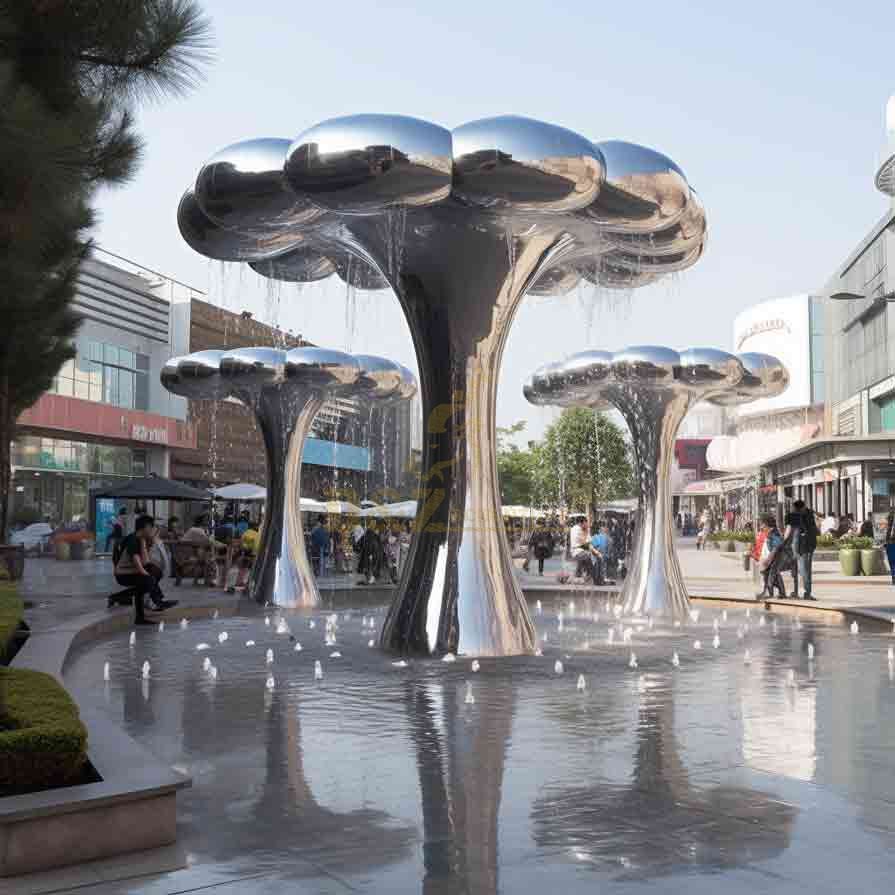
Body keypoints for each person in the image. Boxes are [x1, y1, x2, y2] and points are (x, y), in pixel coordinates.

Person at [112, 515, 177, 623]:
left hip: (132, 571)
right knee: (147, 579)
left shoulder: (140, 539)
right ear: (146, 527)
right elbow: (139, 563)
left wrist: (146, 542)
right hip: (123, 574)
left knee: (150, 577)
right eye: (151, 527)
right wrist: (148, 576)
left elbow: (146, 562)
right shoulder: (132, 540)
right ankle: (158, 602)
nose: (153, 530)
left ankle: (139, 617)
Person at [784, 499, 818, 600]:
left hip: (800, 546)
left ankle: (802, 592)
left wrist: (783, 542)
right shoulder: (810, 514)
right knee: (804, 570)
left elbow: (788, 530)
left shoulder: (794, 515)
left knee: (801, 570)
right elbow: (816, 529)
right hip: (807, 545)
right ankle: (803, 592)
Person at [757, 516, 787, 598]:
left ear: (767, 525)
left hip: (777, 558)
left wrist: (768, 559)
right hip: (775, 558)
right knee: (771, 575)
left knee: (771, 576)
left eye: (762, 525)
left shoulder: (774, 534)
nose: (761, 527)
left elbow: (776, 547)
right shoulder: (771, 533)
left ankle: (769, 592)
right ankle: (781, 593)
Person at [570, 517, 598, 584]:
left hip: (578, 551)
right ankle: (591, 576)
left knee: (585, 561)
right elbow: (586, 541)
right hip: (578, 551)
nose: (587, 524)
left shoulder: (575, 528)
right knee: (588, 558)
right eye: (586, 523)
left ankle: (582, 575)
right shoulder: (578, 529)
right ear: (581, 523)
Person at [885, 511, 895, 585]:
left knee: (892, 562)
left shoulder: (889, 528)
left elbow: (888, 537)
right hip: (890, 543)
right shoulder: (889, 528)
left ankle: (894, 578)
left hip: (891, 544)